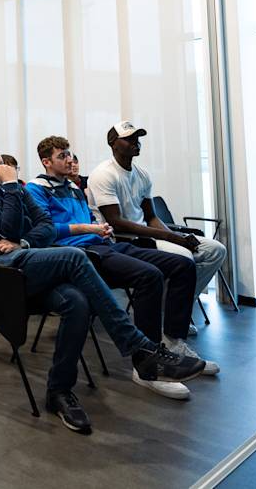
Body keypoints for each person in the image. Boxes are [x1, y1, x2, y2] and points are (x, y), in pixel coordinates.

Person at [0, 133, 206, 433]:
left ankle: (58, 391)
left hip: (25, 261)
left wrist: (23, 241)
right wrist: (10, 187)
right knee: (74, 256)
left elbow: (46, 228)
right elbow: (5, 228)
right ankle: (140, 349)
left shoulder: (14, 190)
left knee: (77, 303)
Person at [27, 136, 215, 398]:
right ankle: (146, 367)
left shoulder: (74, 188)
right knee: (149, 276)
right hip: (80, 255)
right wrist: (88, 228)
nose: (70, 159)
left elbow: (89, 219)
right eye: (62, 156)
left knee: (183, 265)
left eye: (70, 153)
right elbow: (46, 231)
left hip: (103, 245)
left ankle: (173, 341)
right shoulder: (35, 189)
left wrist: (99, 228)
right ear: (46, 162)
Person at [88, 121, 229, 332]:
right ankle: (172, 319)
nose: (136, 142)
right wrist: (173, 239)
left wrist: (177, 236)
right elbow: (116, 222)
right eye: (129, 139)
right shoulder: (103, 174)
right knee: (185, 257)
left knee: (215, 250)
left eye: (137, 138)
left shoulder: (142, 174)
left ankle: (174, 310)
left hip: (146, 235)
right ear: (113, 143)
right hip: (124, 240)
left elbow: (151, 217)